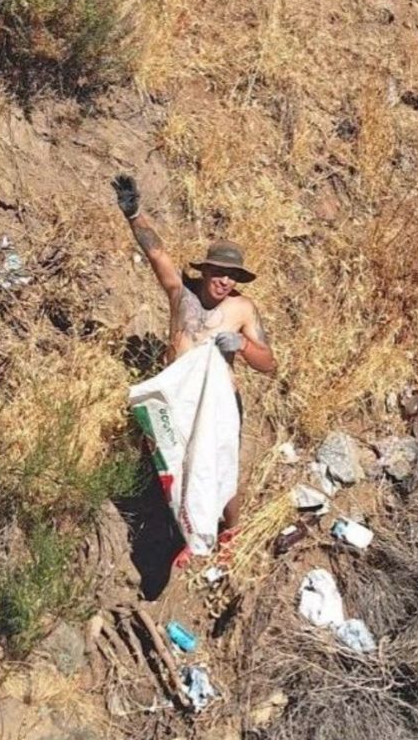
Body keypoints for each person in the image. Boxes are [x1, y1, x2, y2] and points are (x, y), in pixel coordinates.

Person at [112, 173, 275, 557]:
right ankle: (191, 535)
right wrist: (133, 213)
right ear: (205, 270)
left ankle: (230, 532)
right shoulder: (181, 294)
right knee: (178, 465)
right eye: (218, 271)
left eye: (231, 275)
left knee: (219, 465)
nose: (223, 280)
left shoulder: (242, 309)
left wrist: (243, 345)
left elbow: (269, 364)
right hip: (176, 397)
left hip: (218, 404)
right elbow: (157, 253)